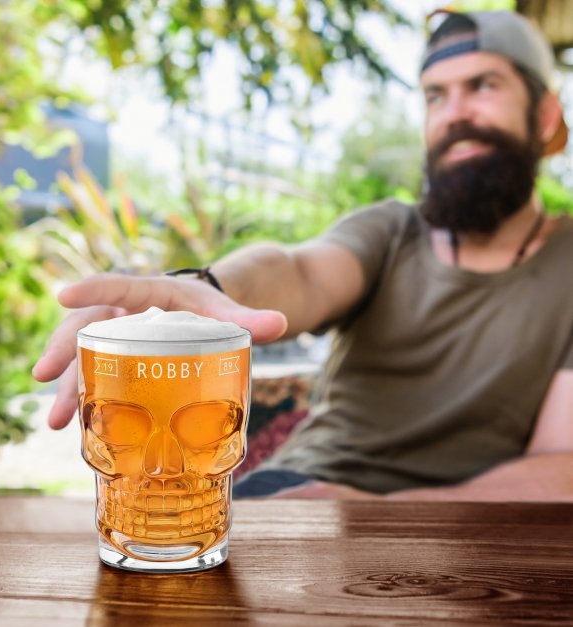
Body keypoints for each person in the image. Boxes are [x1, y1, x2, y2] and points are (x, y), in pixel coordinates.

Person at [33, 10, 573, 502]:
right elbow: (302, 272)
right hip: (295, 495)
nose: (455, 114)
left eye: (483, 86)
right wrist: (205, 291)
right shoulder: (390, 232)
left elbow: (561, 466)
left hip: (470, 537)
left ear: (546, 116)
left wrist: (382, 514)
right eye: (435, 96)